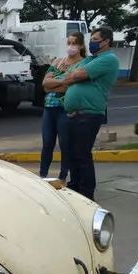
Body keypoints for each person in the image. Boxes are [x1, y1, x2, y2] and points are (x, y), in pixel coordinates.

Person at [57, 27, 120, 201]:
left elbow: (77, 75)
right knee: (71, 154)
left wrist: (72, 76)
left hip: (89, 114)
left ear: (106, 41)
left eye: (95, 39)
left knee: (81, 154)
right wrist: (72, 76)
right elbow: (68, 76)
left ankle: (86, 194)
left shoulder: (108, 59)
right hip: (73, 114)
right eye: (91, 39)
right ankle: (74, 188)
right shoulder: (91, 59)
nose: (91, 43)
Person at [40, 32, 87, 181]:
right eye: (69, 43)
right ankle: (42, 175)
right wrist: (63, 81)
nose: (71, 46)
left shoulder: (83, 64)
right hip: (49, 107)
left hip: (66, 109)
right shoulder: (58, 62)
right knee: (47, 143)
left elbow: (72, 86)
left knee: (65, 144)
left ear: (81, 46)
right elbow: (45, 84)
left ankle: (63, 176)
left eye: (74, 43)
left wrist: (55, 84)